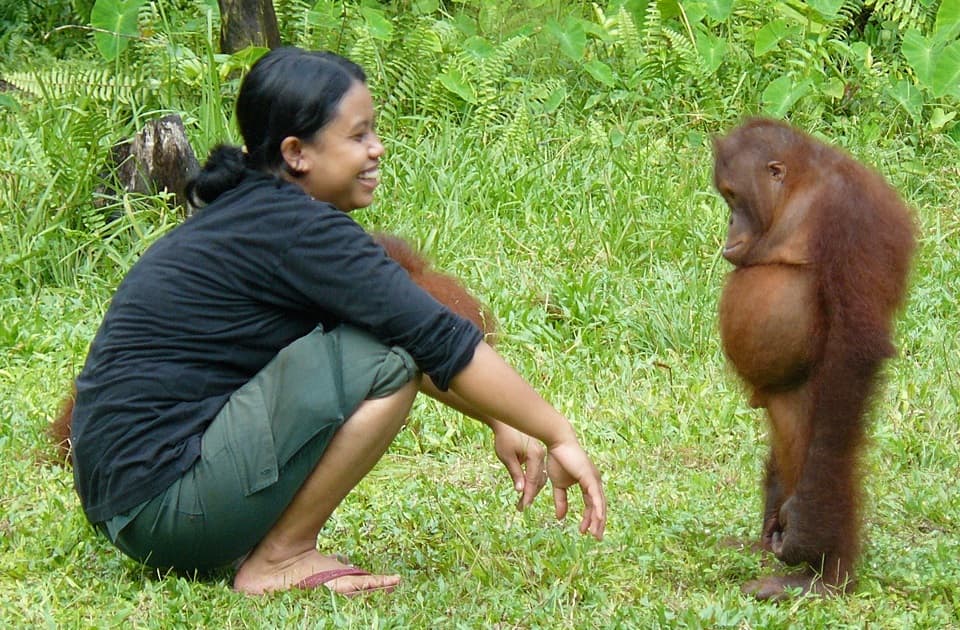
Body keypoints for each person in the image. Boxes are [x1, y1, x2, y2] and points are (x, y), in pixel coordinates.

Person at [70, 47, 606, 597]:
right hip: (167, 510)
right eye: (357, 136)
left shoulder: (258, 213)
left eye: (374, 132)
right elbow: (431, 337)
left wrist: (499, 419)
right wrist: (557, 432)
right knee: (390, 356)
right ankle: (280, 557)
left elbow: (412, 331)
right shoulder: (300, 229)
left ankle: (270, 545)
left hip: (131, 504)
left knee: (389, 342)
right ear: (297, 152)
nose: (377, 150)